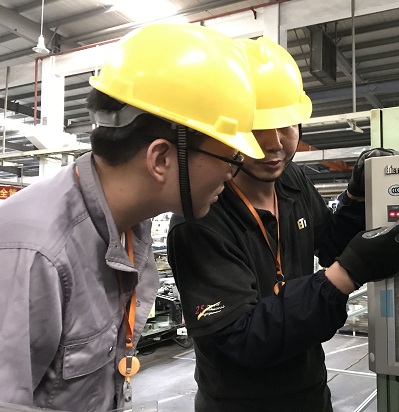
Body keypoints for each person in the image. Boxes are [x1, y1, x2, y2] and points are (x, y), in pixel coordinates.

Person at [0, 24, 264, 412]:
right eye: (230, 157)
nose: (231, 173)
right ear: (161, 158)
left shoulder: (129, 230)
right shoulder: (32, 254)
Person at [167, 36, 399, 412]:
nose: (275, 143)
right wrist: (348, 273)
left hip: (309, 387)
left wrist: (356, 197)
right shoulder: (201, 219)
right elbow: (243, 338)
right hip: (239, 403)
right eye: (257, 127)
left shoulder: (292, 181)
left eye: (285, 125)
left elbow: (329, 247)